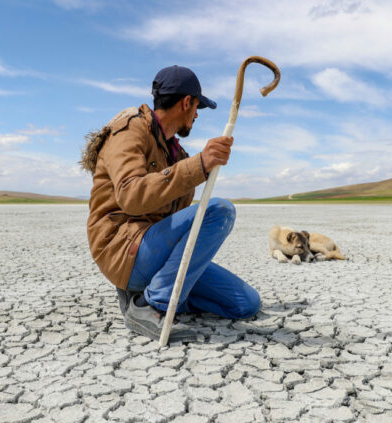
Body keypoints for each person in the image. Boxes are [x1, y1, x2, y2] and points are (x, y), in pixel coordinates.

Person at [81, 65, 261, 342]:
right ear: (186, 102)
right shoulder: (129, 132)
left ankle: (156, 292)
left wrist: (195, 165)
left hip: (156, 252)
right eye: (197, 107)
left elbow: (175, 216)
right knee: (219, 210)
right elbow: (131, 196)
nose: (197, 114)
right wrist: (198, 165)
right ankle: (150, 305)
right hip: (123, 248)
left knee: (245, 303)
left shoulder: (174, 151)